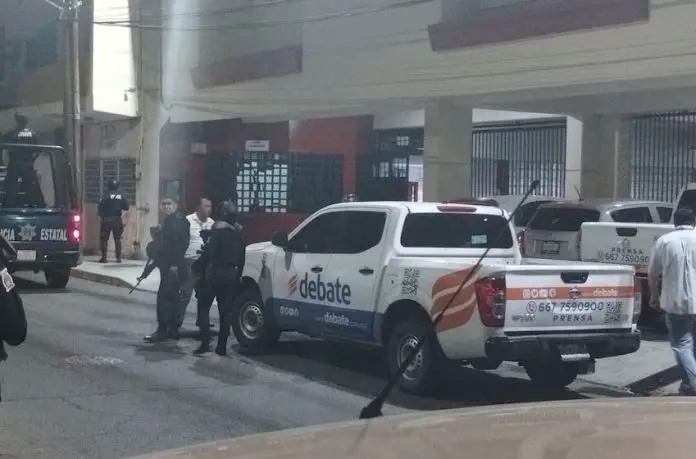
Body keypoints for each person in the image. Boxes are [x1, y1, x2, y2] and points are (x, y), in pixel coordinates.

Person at [648, 206, 696, 395]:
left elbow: (653, 272)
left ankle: (692, 384)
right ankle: (687, 383)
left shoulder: (664, 241)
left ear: (675, 222)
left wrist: (653, 295)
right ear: (693, 221)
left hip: (675, 302)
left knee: (682, 344)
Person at [191, 200, 245, 355]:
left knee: (203, 308)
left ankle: (205, 343)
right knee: (225, 312)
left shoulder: (217, 231)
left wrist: (197, 267)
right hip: (231, 275)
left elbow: (208, 253)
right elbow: (242, 258)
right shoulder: (238, 234)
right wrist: (238, 276)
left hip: (214, 274)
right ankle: (221, 346)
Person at [144, 196, 190, 343]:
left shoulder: (177, 221)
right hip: (168, 265)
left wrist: (174, 265)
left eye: (169, 204)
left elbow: (179, 245)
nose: (166, 207)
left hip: (173, 265)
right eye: (163, 204)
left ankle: (164, 330)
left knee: (164, 299)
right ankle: (172, 329)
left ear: (176, 205)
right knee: (172, 298)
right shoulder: (171, 221)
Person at [176, 197, 215, 331]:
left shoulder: (212, 223)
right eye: (206, 206)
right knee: (185, 294)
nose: (208, 209)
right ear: (198, 207)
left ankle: (202, 321)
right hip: (190, 262)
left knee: (205, 295)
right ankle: (177, 321)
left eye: (210, 206)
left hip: (205, 264)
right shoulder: (187, 221)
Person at [98, 180, 129, 263]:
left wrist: (102, 216)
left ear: (108, 186)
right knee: (117, 239)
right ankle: (118, 259)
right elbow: (126, 207)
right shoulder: (121, 196)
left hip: (107, 219)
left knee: (104, 239)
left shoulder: (105, 195)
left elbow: (100, 207)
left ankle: (104, 258)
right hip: (117, 220)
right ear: (117, 187)